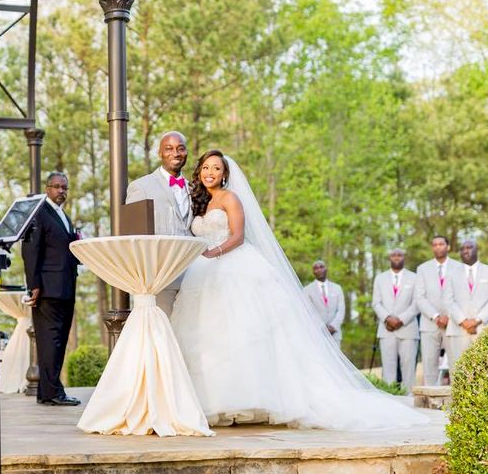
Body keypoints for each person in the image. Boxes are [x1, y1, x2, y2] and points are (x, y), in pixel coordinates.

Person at [169, 150, 428, 430]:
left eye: (216, 168)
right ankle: (214, 401)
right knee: (209, 335)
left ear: (225, 173)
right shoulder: (200, 202)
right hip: (202, 274)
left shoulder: (231, 198)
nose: (210, 172)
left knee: (243, 332)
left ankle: (250, 401)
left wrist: (213, 252)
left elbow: (238, 236)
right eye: (206, 167)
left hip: (230, 265)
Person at [22, 171, 81, 406]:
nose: (61, 191)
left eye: (64, 187)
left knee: (58, 341)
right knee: (50, 341)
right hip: (48, 289)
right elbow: (30, 251)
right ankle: (52, 392)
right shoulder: (39, 213)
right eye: (56, 187)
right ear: (47, 189)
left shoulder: (62, 215)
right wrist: (34, 285)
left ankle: (48, 391)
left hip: (65, 287)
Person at [126, 131, 192, 314]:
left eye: (180, 148)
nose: (176, 153)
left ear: (186, 152)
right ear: (160, 153)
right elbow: (133, 236)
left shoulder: (195, 188)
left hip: (193, 279)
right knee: (161, 335)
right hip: (159, 278)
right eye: (169, 149)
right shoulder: (141, 187)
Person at [443, 240, 488, 366]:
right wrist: (463, 321)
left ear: (477, 250)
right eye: (462, 248)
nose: (465, 250)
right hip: (457, 330)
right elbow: (448, 300)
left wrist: (476, 321)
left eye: (469, 247)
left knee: (485, 368)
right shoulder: (450, 273)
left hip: (484, 329)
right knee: (458, 370)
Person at [414, 236, 460, 386]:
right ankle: (430, 402)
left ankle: (457, 400)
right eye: (435, 245)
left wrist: (449, 316)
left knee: (456, 363)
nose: (438, 247)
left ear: (448, 246)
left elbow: (461, 295)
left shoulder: (459, 267)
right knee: (429, 364)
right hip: (429, 323)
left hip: (452, 323)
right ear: (432, 248)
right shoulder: (422, 269)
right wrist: (436, 316)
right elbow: (419, 297)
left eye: (441, 244)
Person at [372, 249, 419, 392]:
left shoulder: (415, 277)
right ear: (389, 258)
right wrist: (388, 318)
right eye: (393, 255)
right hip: (387, 330)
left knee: (408, 369)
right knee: (388, 369)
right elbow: (376, 303)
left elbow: (417, 303)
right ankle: (389, 399)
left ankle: (409, 400)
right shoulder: (380, 278)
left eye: (400, 255)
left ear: (404, 257)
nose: (396, 257)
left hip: (408, 329)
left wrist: (401, 320)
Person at [303, 260, 346, 347]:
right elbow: (307, 312)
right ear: (313, 272)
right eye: (316, 268)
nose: (319, 270)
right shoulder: (307, 290)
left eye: (321, 267)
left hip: (335, 334)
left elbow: (341, 310)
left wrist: (333, 327)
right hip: (317, 334)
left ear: (326, 269)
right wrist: (321, 328)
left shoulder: (337, 288)